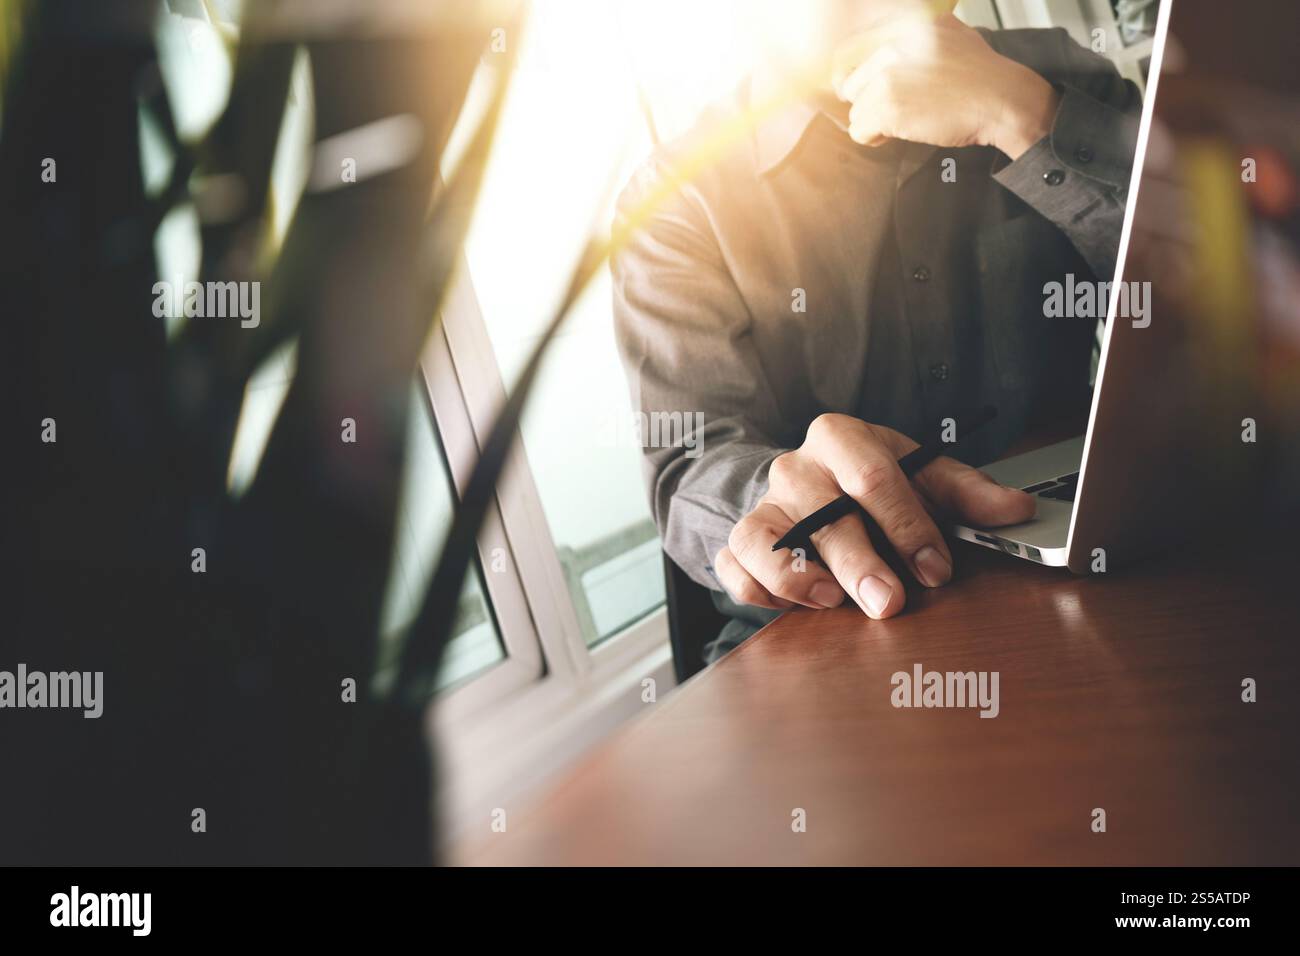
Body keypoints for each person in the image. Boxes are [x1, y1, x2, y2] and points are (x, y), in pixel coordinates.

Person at [612, 2, 1141, 663]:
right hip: (838, 624)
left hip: (1097, 561)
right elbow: (692, 458)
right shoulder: (675, 197)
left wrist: (1025, 119)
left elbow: (1217, 308)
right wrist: (781, 492)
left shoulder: (1058, 76)